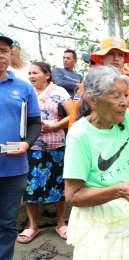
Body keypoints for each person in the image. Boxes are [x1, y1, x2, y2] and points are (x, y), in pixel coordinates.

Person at [63, 65, 129, 259]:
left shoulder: (127, 118)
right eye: (116, 96)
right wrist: (120, 191)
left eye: (126, 95)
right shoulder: (79, 136)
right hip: (100, 223)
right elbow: (73, 195)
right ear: (92, 100)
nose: (125, 103)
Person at [16, 62, 72, 243]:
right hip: (31, 147)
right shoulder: (26, 91)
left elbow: (74, 115)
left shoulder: (59, 92)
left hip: (55, 146)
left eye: (35, 73)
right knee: (30, 188)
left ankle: (61, 223)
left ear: (47, 75)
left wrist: (55, 125)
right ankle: (33, 226)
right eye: (29, 73)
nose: (31, 76)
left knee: (59, 186)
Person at [0, 33, 41, 260]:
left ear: (10, 54)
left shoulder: (24, 88)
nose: (0, 56)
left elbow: (35, 123)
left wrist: (26, 143)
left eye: (4, 51)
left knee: (7, 223)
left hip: (14, 169)